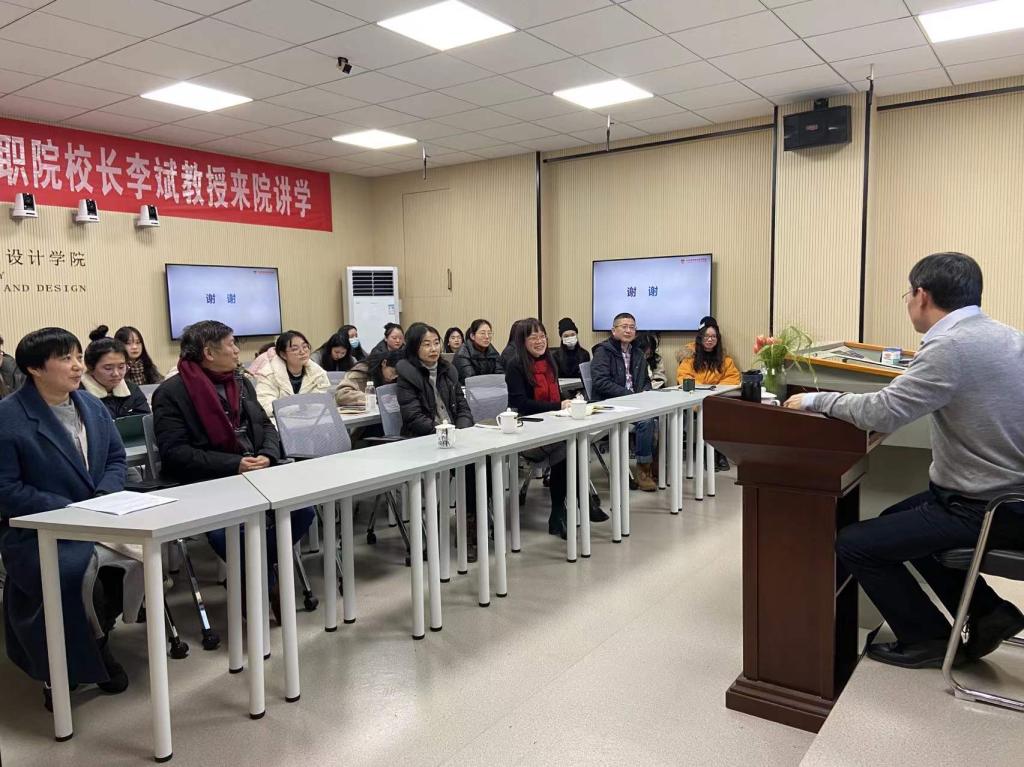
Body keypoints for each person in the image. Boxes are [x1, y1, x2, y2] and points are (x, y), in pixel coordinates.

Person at [785, 253, 1024, 669]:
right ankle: (989, 613)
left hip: (984, 507)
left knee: (856, 544)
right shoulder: (1008, 336)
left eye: (907, 295)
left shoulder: (950, 347)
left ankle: (927, 638)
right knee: (897, 520)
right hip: (1008, 498)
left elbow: (881, 412)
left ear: (921, 295)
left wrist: (814, 400)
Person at [0, 328, 135, 708]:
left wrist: (103, 496)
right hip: (39, 528)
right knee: (71, 576)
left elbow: (116, 459)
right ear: (34, 369)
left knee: (144, 560)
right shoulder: (9, 416)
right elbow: (6, 488)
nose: (78, 366)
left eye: (78, 357)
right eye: (65, 359)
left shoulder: (89, 405)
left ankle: (96, 636)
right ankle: (73, 660)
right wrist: (67, 508)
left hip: (100, 517)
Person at [151, 321, 314, 623]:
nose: (238, 350)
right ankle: (265, 581)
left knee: (303, 510)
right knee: (229, 532)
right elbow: (175, 454)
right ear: (209, 352)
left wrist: (267, 454)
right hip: (210, 481)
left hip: (257, 473)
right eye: (231, 344)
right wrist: (233, 464)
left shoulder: (241, 383)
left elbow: (266, 426)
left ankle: (254, 575)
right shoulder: (171, 393)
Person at [505, 318, 608, 538]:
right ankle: (576, 504)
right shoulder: (515, 365)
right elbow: (521, 403)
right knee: (568, 446)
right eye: (534, 338)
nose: (540, 341)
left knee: (571, 443)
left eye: (542, 336)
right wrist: (558, 405)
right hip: (528, 433)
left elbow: (556, 394)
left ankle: (560, 514)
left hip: (554, 427)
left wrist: (568, 403)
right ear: (522, 341)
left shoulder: (549, 360)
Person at [396, 323, 483, 561]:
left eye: (436, 343)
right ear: (414, 348)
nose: (433, 348)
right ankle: (430, 535)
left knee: (476, 466)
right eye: (426, 344)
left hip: (454, 439)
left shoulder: (448, 371)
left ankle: (468, 533)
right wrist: (444, 434)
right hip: (422, 442)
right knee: (450, 471)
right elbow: (414, 418)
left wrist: (460, 431)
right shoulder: (406, 376)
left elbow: (463, 408)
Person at [591, 312, 659, 492]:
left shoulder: (638, 353)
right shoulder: (603, 352)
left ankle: (653, 467)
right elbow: (600, 382)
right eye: (624, 327)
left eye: (632, 327)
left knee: (660, 417)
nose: (628, 330)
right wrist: (629, 395)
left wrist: (645, 392)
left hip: (634, 404)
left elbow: (645, 380)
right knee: (646, 421)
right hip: (609, 405)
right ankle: (643, 471)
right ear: (614, 330)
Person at [676, 318, 741, 471]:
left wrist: (715, 390)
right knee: (707, 413)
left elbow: (733, 378)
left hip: (717, 399)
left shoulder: (725, 359)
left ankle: (720, 453)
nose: (710, 340)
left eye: (713, 336)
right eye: (706, 336)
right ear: (700, 338)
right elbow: (684, 378)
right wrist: (704, 390)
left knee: (723, 412)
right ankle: (708, 452)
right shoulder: (689, 358)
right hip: (695, 400)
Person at [255, 330, 331, 418]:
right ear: (283, 354)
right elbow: (265, 405)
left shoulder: (318, 373)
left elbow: (324, 401)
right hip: (280, 422)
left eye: (305, 347)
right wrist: (296, 409)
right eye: (295, 349)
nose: (302, 352)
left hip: (312, 420)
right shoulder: (268, 374)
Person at [81, 326, 150, 419]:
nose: (116, 373)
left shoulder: (132, 390)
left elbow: (145, 420)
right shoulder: (79, 394)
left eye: (121, 367)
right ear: (90, 367)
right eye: (108, 368)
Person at [334, 348, 401, 409]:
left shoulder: (396, 378)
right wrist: (373, 398)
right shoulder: (363, 370)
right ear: (384, 363)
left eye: (397, 375)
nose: (394, 377)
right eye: (393, 372)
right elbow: (342, 394)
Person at [453, 318, 504, 384]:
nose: (487, 336)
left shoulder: (493, 352)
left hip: (490, 388)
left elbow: (500, 376)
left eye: (489, 333)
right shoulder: (462, 354)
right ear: (472, 336)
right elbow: (471, 380)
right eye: (482, 333)